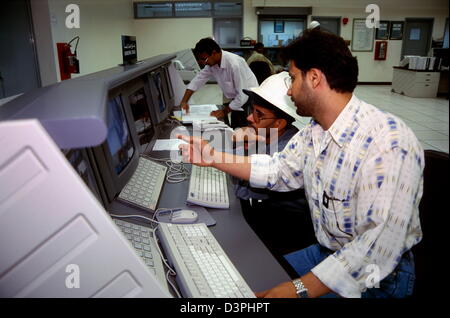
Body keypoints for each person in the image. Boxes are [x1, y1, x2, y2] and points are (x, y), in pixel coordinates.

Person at [178, 29, 424, 298]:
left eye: (293, 78)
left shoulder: (387, 142)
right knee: (245, 289)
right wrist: (214, 158)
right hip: (328, 251)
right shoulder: (316, 131)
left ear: (314, 78)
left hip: (378, 275)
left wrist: (297, 289)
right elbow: (279, 170)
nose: (288, 88)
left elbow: (375, 249)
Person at [232, 72, 316, 265]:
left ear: (279, 123)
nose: (250, 118)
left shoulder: (284, 149)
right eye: (251, 110)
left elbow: (242, 191)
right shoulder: (271, 135)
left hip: (287, 236)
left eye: (258, 114)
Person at [180, 37, 258, 129]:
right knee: (235, 129)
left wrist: (224, 111)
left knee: (245, 131)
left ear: (214, 53)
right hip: (235, 100)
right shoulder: (212, 64)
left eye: (204, 59)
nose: (204, 63)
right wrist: (184, 101)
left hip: (248, 100)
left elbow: (243, 95)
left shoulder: (234, 64)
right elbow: (198, 80)